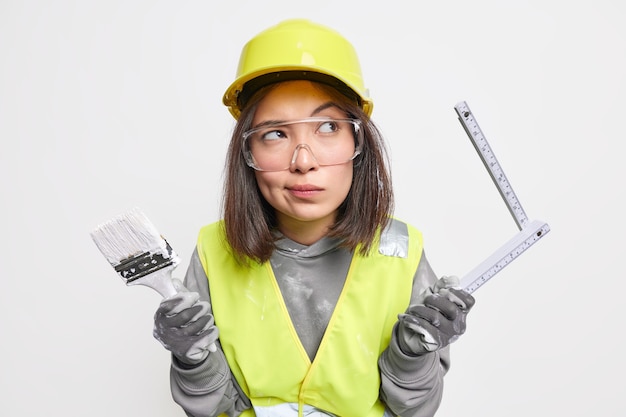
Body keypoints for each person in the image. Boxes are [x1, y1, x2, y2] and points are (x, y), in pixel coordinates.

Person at [152, 19, 475, 417]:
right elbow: (216, 408)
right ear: (246, 153)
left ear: (359, 142)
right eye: (275, 134)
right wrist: (193, 360)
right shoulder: (213, 252)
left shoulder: (402, 252)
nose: (303, 162)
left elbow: (414, 410)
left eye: (327, 127)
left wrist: (412, 356)